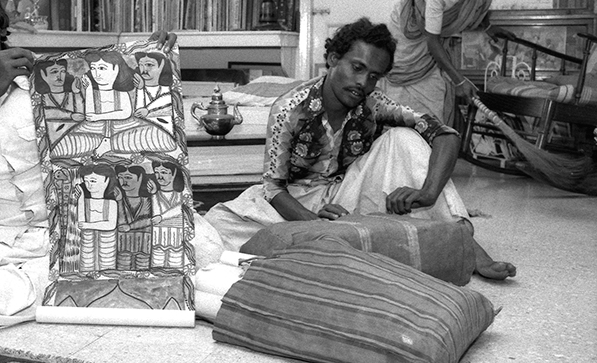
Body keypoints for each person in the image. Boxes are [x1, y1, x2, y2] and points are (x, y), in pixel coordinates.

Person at [0, 0, 176, 332]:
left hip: (59, 229)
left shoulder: (49, 79)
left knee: (194, 241)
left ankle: (58, 285)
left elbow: (117, 123)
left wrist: (149, 58)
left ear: (0, 25)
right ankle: (84, 286)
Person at [203, 17, 516, 280]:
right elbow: (274, 189)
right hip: (292, 203)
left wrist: (429, 192)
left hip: (345, 197)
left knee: (403, 139)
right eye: (356, 67)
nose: (363, 83)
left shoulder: (374, 105)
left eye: (374, 76)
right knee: (218, 227)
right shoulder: (290, 109)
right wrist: (314, 222)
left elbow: (445, 134)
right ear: (333, 59)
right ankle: (349, 241)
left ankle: (465, 245)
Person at [376, 0, 503, 126]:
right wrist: (459, 81)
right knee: (403, 98)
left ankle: (430, 142)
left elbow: (476, 6)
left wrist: (488, 27)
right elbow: (433, 41)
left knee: (434, 97)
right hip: (408, 40)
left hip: (432, 44)